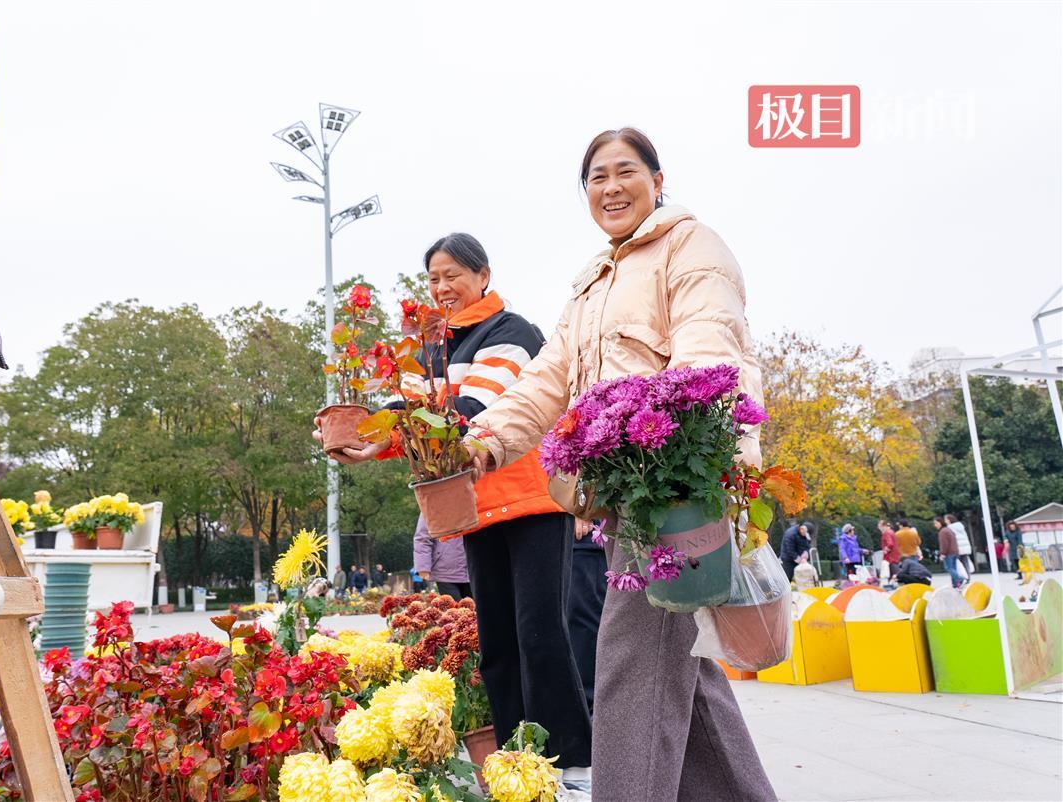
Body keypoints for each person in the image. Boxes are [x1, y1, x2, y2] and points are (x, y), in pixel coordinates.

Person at [463, 128, 774, 800]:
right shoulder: (592, 285)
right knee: (685, 677)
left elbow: (707, 345)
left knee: (630, 667)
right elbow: (545, 384)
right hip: (628, 497)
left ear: (658, 181)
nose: (610, 187)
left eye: (625, 171)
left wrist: (673, 441)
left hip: (679, 489)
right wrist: (474, 444)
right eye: (596, 177)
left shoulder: (692, 246)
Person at [316, 233, 592, 792]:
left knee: (540, 635)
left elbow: (473, 408)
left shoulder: (512, 332)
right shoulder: (430, 349)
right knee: (497, 643)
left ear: (483, 275)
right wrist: (368, 435)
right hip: (475, 508)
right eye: (433, 279)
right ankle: (519, 768)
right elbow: (411, 412)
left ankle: (573, 765)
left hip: (532, 503)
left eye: (453, 275)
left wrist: (393, 428)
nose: (442, 288)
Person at [569, 518, 608, 715]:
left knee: (585, 630)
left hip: (584, 536)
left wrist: (580, 508)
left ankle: (595, 720)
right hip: (578, 539)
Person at [412, 514, 471, 600]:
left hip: (474, 567)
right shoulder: (433, 502)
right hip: (445, 571)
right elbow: (423, 538)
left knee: (477, 610)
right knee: (453, 610)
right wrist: (423, 567)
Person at [934, 516, 963, 588]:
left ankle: (960, 579)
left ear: (940, 523)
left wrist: (943, 553)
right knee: (953, 568)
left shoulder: (942, 532)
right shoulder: (948, 529)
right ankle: (955, 584)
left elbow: (944, 544)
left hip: (949, 553)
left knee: (949, 568)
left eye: (936, 523)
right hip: (955, 551)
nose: (935, 525)